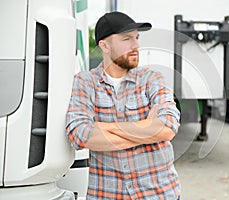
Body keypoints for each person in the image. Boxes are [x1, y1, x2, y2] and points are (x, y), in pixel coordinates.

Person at [66, 11, 181, 200]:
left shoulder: (152, 79)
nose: (136, 45)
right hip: (108, 194)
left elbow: (167, 127)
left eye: (136, 38)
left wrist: (103, 128)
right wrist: (146, 128)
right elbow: (80, 135)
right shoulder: (84, 82)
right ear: (104, 45)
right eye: (126, 39)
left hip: (159, 194)